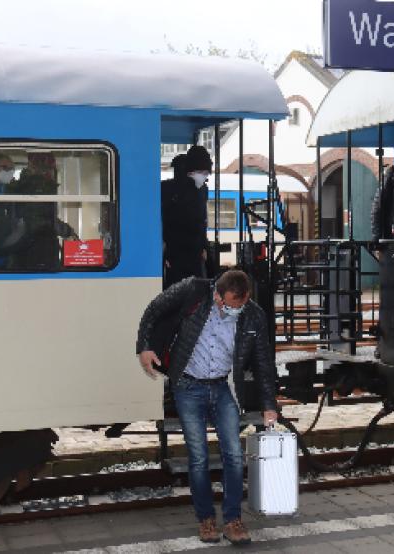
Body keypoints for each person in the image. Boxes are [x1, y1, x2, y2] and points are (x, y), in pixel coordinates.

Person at [135, 270, 278, 545]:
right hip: (188, 386)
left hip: (223, 387)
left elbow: (263, 362)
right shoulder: (193, 291)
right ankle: (206, 520)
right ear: (217, 295)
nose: (236, 311)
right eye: (230, 306)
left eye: (241, 306)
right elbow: (154, 309)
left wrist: (269, 404)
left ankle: (233, 519)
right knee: (198, 457)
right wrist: (144, 346)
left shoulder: (254, 315)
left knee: (235, 455)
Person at [0, 152, 76, 270]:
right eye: (49, 168)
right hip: (36, 253)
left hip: (21, 251)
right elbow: (41, 220)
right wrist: (68, 232)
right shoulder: (38, 187)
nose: (51, 172)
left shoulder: (24, 186)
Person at [162, 146, 212, 289]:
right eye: (201, 172)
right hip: (179, 256)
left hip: (192, 255)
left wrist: (203, 247)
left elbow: (201, 222)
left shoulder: (202, 190)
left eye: (206, 172)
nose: (204, 176)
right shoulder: (173, 190)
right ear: (190, 171)